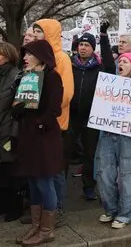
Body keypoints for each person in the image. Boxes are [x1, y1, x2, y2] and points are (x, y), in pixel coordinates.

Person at [14, 40, 64, 245]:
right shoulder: (26, 77)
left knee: (44, 182)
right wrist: (19, 107)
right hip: (28, 137)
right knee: (33, 183)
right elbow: (18, 107)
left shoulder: (52, 77)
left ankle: (47, 229)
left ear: (40, 56)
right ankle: (36, 226)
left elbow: (54, 109)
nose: (24, 58)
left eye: (29, 54)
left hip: (44, 137)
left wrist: (40, 123)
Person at [31, 19, 74, 226]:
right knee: (40, 169)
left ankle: (57, 210)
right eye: (34, 31)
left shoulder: (61, 58)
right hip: (38, 122)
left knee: (54, 170)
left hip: (56, 122)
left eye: (40, 31)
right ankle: (42, 212)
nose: (35, 34)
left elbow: (66, 94)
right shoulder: (38, 57)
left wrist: (43, 104)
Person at [95, 53, 131, 229]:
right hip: (108, 134)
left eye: (125, 61)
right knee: (104, 174)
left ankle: (125, 214)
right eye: (120, 61)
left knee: (127, 176)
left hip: (129, 137)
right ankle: (111, 209)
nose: (121, 63)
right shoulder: (109, 85)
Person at [70, 21, 115, 201]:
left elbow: (111, 66)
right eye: (81, 44)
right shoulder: (70, 66)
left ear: (92, 49)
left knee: (90, 153)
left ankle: (89, 187)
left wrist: (103, 37)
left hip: (91, 117)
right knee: (67, 151)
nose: (82, 48)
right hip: (72, 117)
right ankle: (59, 190)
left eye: (87, 45)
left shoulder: (99, 68)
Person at [0, 43, 22, 222]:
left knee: (9, 172)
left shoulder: (17, 76)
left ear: (7, 56)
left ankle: (14, 208)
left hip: (7, 129)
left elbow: (17, 107)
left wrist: (14, 134)